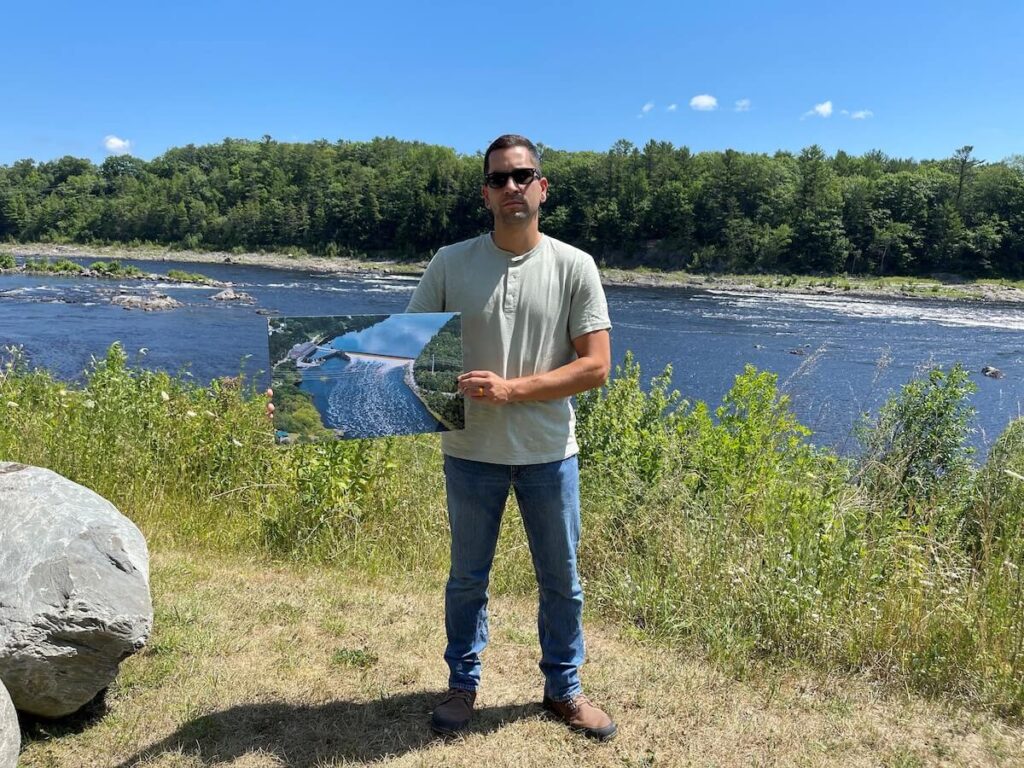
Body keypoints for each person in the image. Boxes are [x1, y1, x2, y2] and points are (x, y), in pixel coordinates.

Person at [405, 134, 616, 741]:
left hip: (551, 455)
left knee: (562, 581)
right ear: (486, 194)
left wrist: (512, 390)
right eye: (500, 179)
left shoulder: (574, 266)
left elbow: (596, 366)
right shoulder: (450, 263)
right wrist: (307, 393)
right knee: (467, 578)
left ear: (542, 188)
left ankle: (564, 689)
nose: (512, 188)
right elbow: (403, 350)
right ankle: (462, 686)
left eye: (523, 176)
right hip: (470, 454)